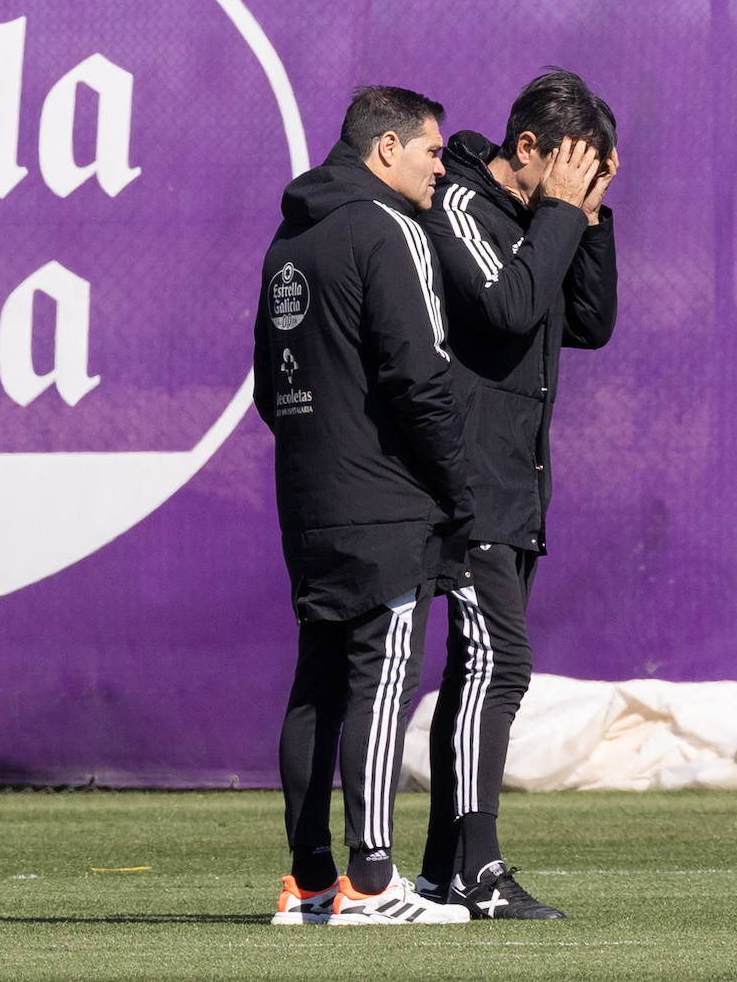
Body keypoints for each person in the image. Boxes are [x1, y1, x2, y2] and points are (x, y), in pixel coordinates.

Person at [253, 86, 473, 926]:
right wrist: (458, 489)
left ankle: (309, 882)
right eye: (431, 150)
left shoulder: (289, 237)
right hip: (382, 502)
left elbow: (273, 393)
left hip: (308, 499)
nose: (440, 165)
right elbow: (421, 379)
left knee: (317, 685)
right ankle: (374, 883)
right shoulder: (390, 229)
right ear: (386, 148)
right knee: (380, 682)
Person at [416, 70, 619, 919]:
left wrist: (590, 218)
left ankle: (441, 870)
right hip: (466, 484)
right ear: (527, 148)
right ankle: (478, 869)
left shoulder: (547, 222)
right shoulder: (461, 206)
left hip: (517, 484)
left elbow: (588, 321)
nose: (579, 191)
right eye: (575, 170)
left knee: (478, 671)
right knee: (501, 664)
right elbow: (508, 307)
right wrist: (562, 218)